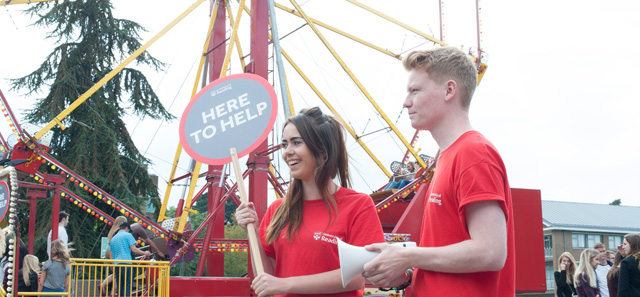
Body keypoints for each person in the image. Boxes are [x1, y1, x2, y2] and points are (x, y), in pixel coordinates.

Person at [361, 46, 516, 297]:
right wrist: (409, 271)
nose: (406, 101)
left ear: (449, 90)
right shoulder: (449, 156)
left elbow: (491, 252)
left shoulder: (474, 154)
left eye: (415, 90)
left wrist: (406, 255)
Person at [235, 107, 385, 297]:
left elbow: (356, 277)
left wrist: (285, 284)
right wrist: (254, 233)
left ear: (322, 151)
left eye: (296, 143)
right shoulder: (277, 209)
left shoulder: (358, 205)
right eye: (284, 144)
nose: (287, 152)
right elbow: (267, 278)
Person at [110, 222, 151, 297]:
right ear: (127, 228)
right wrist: (145, 253)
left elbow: (111, 255)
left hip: (116, 265)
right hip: (126, 263)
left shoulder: (113, 238)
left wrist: (112, 266)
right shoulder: (128, 235)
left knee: (120, 285)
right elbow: (134, 249)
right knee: (127, 284)